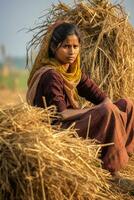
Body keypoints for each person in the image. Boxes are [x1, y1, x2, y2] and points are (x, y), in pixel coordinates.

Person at [26, 21, 134, 177]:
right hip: (57, 130)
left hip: (71, 122)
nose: (71, 52)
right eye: (66, 46)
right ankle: (112, 172)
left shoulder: (74, 72)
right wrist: (100, 109)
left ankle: (125, 154)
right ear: (52, 48)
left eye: (75, 47)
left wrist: (107, 106)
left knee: (127, 104)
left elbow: (102, 98)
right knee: (108, 110)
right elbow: (61, 114)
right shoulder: (51, 74)